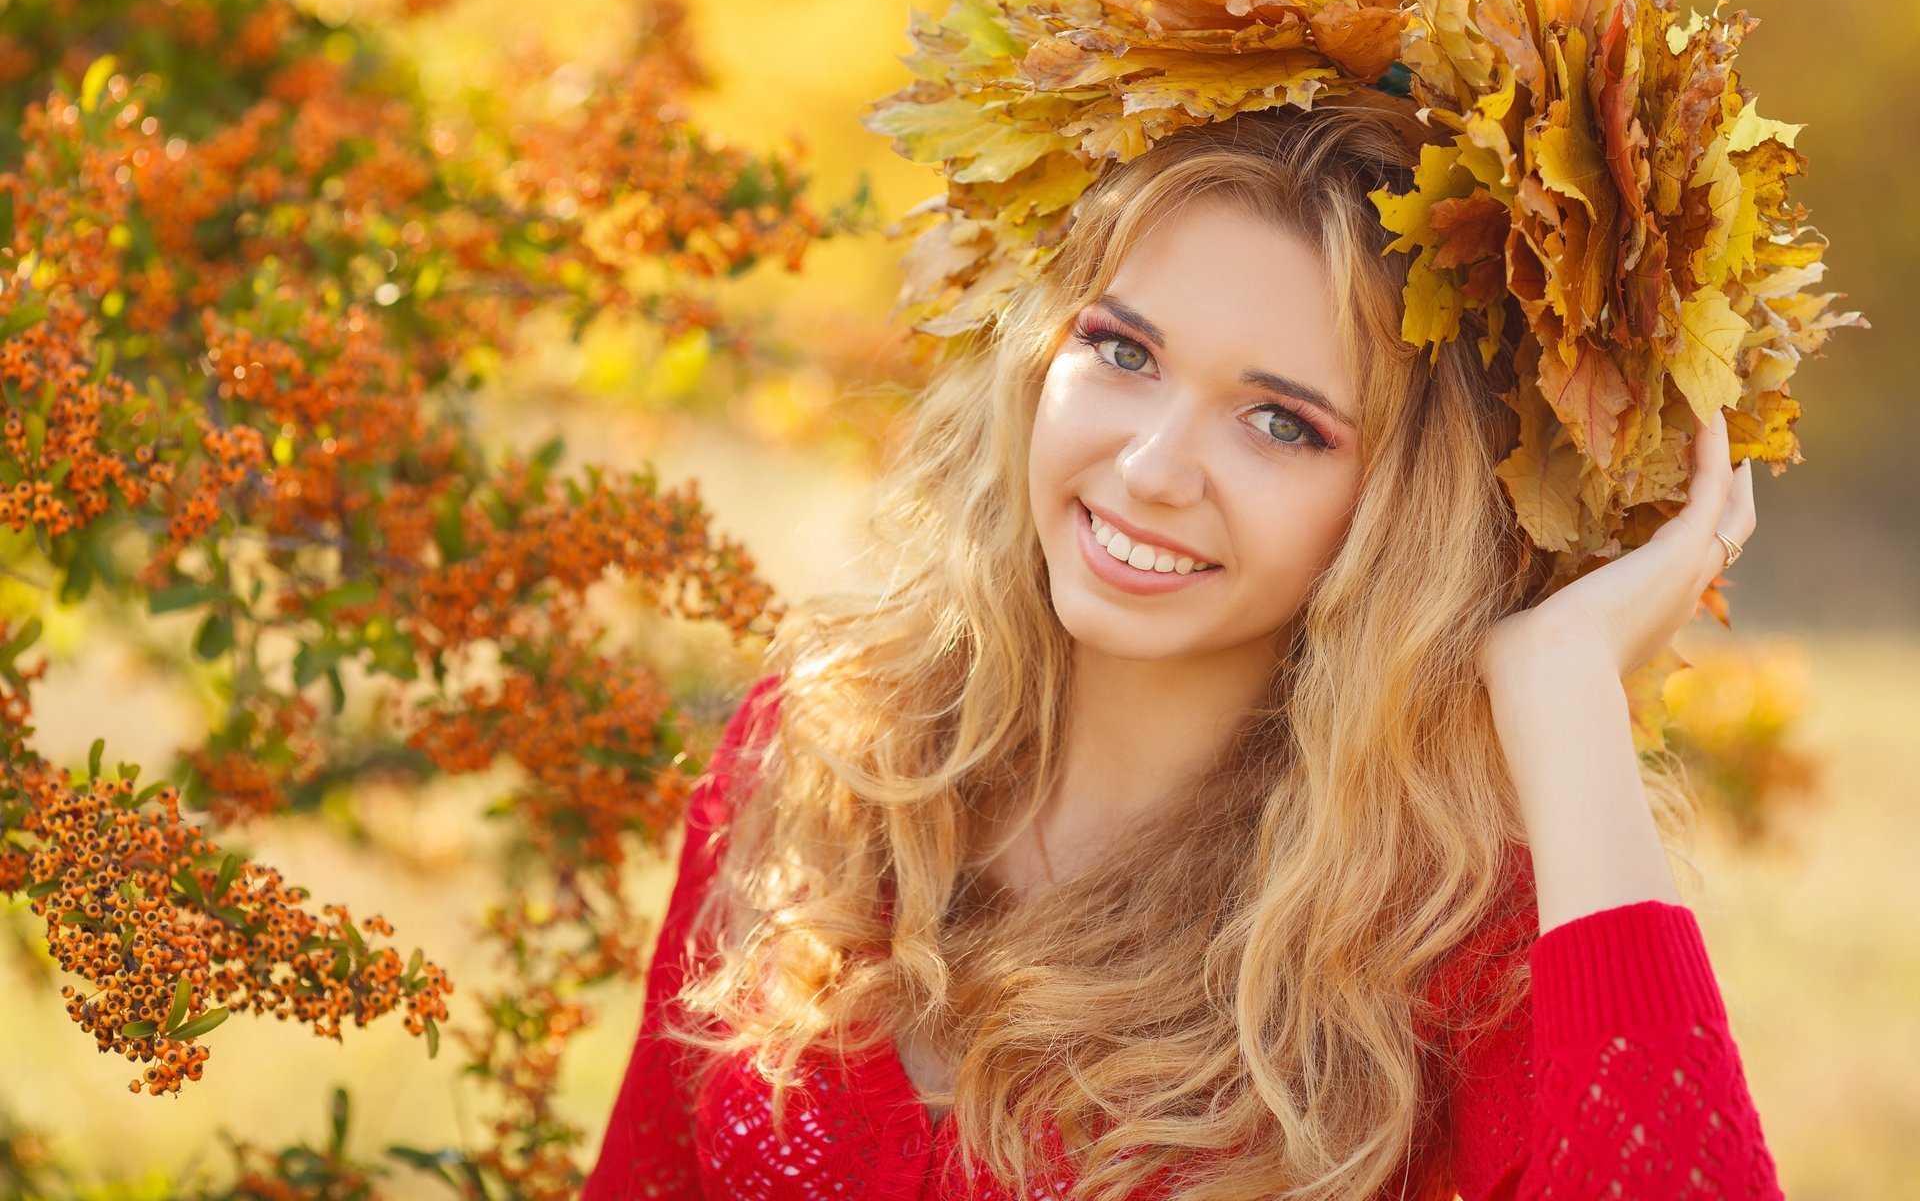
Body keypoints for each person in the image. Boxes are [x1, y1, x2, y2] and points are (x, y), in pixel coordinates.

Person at [580, 99, 1781, 1200]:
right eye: (1123, 350)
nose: (1152, 467)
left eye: (1280, 422)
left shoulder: (1449, 930)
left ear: (1405, 507)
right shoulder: (824, 750)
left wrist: (1563, 684)